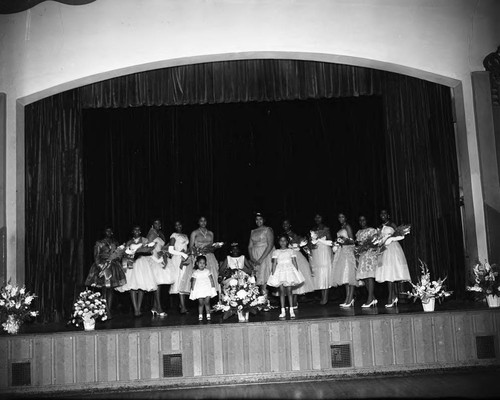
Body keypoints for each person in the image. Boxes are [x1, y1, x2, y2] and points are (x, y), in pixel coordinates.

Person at [84, 227, 126, 319]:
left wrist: (116, 257)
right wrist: (101, 266)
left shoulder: (115, 242)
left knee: (110, 289)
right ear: (104, 232)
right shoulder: (99, 243)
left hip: (113, 266)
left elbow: (119, 254)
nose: (109, 232)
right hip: (102, 266)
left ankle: (108, 310)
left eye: (110, 231)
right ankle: (105, 310)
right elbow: (96, 256)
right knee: (104, 289)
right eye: (107, 231)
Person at [115, 225, 157, 317]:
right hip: (132, 264)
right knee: (132, 286)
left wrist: (140, 251)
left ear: (140, 232)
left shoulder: (145, 240)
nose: (137, 231)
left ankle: (139, 308)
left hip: (142, 263)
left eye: (138, 230)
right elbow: (125, 252)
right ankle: (135, 309)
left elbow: (150, 250)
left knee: (141, 286)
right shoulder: (129, 241)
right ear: (133, 232)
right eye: (135, 230)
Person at [375, 209, 411, 308]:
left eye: (384, 213)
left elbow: (401, 236)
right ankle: (393, 297)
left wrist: (391, 239)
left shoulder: (392, 224)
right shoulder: (380, 227)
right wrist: (379, 242)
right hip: (384, 250)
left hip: (392, 249)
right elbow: (379, 239)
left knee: (391, 274)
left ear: (388, 215)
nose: (383, 215)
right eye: (381, 213)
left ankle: (391, 298)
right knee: (388, 274)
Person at [267, 235, 305, 319]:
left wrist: (297, 272)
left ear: (287, 242)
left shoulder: (291, 251)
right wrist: (273, 275)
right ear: (278, 242)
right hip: (280, 272)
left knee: (289, 291)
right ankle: (282, 310)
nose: (283, 242)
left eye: (284, 240)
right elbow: (274, 264)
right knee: (281, 291)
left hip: (289, 271)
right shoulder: (276, 252)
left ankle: (291, 310)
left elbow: (294, 262)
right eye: (281, 240)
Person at [281, 219, 315, 309]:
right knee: (287, 279)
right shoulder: (282, 235)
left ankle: (294, 302)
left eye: (287, 224)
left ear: (290, 225)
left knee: (294, 278)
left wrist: (297, 245)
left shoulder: (293, 234)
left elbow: (298, 244)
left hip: (294, 256)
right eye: (284, 224)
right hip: (285, 257)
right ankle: (291, 302)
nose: (285, 225)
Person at [331, 213, 358, 307]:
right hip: (341, 252)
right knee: (345, 276)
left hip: (348, 252)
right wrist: (337, 242)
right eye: (339, 217)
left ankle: (350, 298)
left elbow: (352, 241)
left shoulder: (347, 226)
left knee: (350, 275)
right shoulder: (341, 227)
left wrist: (343, 241)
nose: (340, 218)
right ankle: (347, 298)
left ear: (345, 217)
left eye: (342, 216)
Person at [189, 216, 221, 296]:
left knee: (211, 276)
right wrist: (195, 256)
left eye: (205, 221)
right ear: (198, 222)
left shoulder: (211, 233)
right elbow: (191, 247)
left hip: (210, 257)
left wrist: (215, 247)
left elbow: (212, 248)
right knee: (200, 278)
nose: (203, 223)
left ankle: (211, 298)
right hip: (199, 256)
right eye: (201, 221)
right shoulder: (194, 233)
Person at [164, 221, 191, 314]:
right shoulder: (174, 235)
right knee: (180, 281)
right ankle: (183, 307)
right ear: (174, 227)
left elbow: (186, 248)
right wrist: (182, 253)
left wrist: (187, 253)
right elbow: (170, 250)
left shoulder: (185, 235)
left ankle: (182, 305)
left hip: (185, 258)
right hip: (178, 259)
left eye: (180, 224)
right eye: (176, 225)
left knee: (184, 280)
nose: (178, 226)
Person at [248, 212, 275, 298]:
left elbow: (270, 245)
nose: (258, 221)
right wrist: (252, 258)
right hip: (255, 255)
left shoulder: (268, 229)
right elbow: (250, 246)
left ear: (264, 220)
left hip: (265, 255)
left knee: (264, 279)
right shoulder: (253, 231)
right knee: (257, 279)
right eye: (257, 219)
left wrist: (261, 259)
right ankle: (260, 301)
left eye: (260, 219)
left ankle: (265, 302)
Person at [309, 213, 334, 305]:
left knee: (325, 272)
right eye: (316, 217)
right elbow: (310, 242)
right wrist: (311, 245)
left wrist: (321, 240)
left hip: (324, 251)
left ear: (322, 218)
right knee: (319, 273)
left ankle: (326, 296)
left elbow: (331, 240)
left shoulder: (326, 228)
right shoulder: (313, 229)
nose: (317, 219)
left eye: (319, 217)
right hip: (316, 252)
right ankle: (322, 295)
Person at [147, 219, 169, 317]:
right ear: (152, 224)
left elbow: (162, 246)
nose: (158, 224)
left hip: (160, 258)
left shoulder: (160, 234)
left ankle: (155, 307)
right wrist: (157, 257)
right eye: (155, 223)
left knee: (158, 284)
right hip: (154, 260)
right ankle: (159, 308)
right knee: (156, 285)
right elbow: (148, 248)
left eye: (159, 223)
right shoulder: (151, 234)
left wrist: (164, 251)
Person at [355, 215, 378, 307]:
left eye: (363, 220)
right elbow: (358, 244)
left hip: (370, 255)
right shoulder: (359, 232)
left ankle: (369, 299)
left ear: (367, 220)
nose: (362, 222)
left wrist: (369, 245)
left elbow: (376, 243)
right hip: (363, 255)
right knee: (364, 277)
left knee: (369, 277)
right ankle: (373, 298)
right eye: (360, 220)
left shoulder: (372, 230)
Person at [190, 255, 217, 321]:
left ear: (205, 264)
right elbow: (193, 281)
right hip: (199, 289)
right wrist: (192, 290)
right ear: (197, 263)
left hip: (207, 288)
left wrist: (213, 287)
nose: (202, 264)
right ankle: (200, 315)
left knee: (207, 302)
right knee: (201, 303)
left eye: (203, 263)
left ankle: (208, 314)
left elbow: (211, 279)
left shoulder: (207, 271)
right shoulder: (195, 272)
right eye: (200, 263)